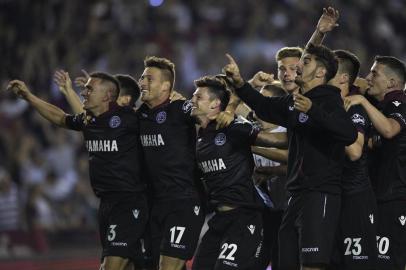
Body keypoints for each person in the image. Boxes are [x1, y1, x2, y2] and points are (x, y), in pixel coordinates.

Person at [223, 43, 357, 270]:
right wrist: (239, 83)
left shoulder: (329, 100)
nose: (297, 67)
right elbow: (264, 106)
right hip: (294, 195)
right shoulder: (295, 101)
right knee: (285, 263)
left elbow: (349, 133)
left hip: (320, 194)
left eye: (305, 62)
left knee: (312, 265)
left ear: (321, 72)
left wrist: (313, 110)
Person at [7, 72, 148, 270]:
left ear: (107, 96)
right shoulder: (90, 122)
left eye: (90, 89)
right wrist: (29, 97)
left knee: (110, 266)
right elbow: (60, 118)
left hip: (128, 203)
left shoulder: (128, 119)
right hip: (106, 204)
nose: (85, 91)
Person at [190, 75, 275, 270]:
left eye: (198, 97)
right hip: (219, 219)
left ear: (214, 104)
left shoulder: (233, 127)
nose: (192, 100)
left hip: (244, 217)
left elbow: (271, 141)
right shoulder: (202, 134)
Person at [137, 56, 205, 270]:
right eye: (142, 77)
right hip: (155, 205)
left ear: (166, 86)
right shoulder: (141, 115)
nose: (142, 82)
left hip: (183, 201)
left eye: (149, 78)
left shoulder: (179, 108)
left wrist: (189, 103)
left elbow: (208, 113)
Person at [344, 56, 406, 270]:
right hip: (375, 196)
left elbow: (389, 130)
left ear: (391, 83)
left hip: (393, 198)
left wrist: (361, 101)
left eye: (374, 73)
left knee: (387, 263)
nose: (368, 78)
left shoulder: (399, 102)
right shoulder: (379, 104)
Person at [328, 49, 378, 269]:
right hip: (331, 196)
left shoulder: (354, 108)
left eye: (329, 68)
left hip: (354, 197)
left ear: (343, 77)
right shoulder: (326, 106)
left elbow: (355, 152)